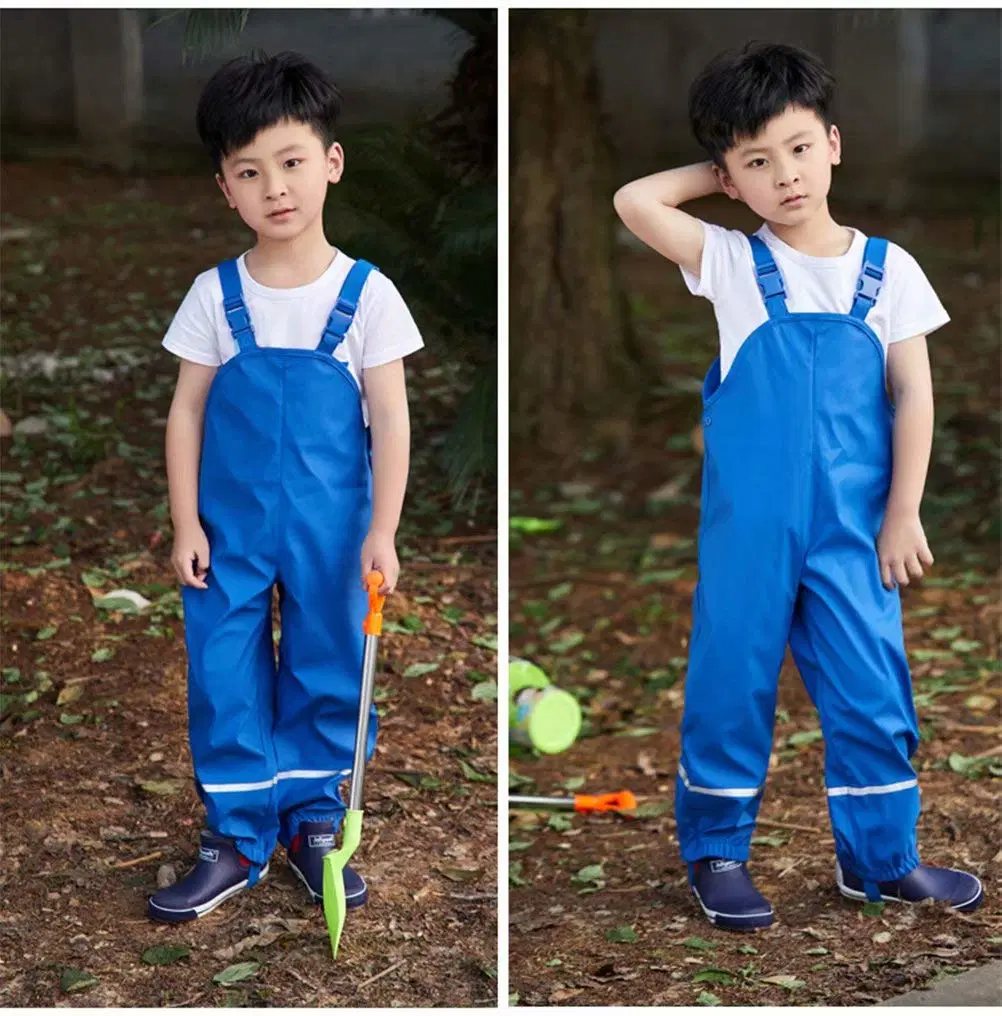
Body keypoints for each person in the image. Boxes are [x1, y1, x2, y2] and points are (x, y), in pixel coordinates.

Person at [613, 41, 983, 930]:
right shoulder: (734, 268)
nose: (787, 175)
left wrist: (903, 511)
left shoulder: (887, 272)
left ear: (835, 144)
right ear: (730, 179)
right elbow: (634, 201)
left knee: (872, 690)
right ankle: (717, 855)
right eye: (758, 162)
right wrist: (716, 174)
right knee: (730, 685)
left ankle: (882, 862)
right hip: (751, 535)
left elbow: (913, 392)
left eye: (801, 148)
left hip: (858, 532)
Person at [148, 51, 423, 923]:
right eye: (250, 171)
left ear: (331, 162)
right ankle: (234, 836)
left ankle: (312, 822)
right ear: (225, 187)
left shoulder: (366, 295)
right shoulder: (214, 295)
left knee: (327, 667)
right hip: (229, 531)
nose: (277, 187)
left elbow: (391, 420)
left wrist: (383, 530)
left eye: (293, 162)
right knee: (223, 671)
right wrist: (185, 518)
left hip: (333, 531)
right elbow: (187, 411)